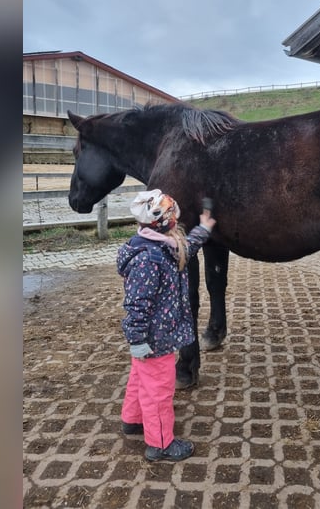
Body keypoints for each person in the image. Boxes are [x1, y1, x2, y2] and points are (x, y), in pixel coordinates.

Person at [116, 189, 216, 462]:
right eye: (174, 217)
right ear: (165, 222)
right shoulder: (148, 260)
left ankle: (132, 419)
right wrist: (137, 341)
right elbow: (136, 306)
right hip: (154, 340)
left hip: (154, 338)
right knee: (159, 390)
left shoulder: (161, 245)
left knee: (140, 379)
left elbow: (187, 247)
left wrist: (204, 228)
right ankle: (160, 443)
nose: (176, 221)